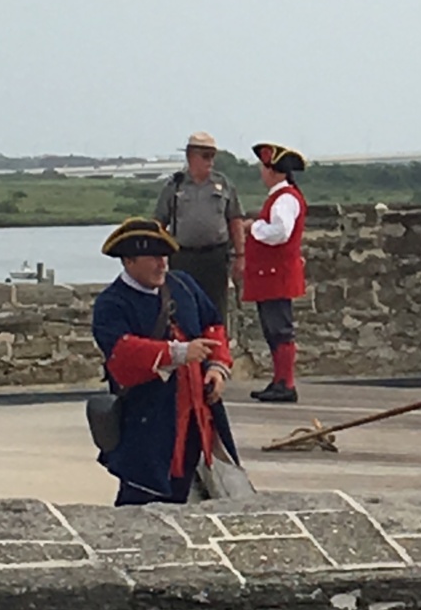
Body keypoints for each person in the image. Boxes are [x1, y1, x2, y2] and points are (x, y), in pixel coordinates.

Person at [90, 217, 239, 505]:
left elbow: (212, 325)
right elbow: (122, 354)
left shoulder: (183, 285)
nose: (163, 264)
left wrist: (218, 368)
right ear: (129, 261)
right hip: (148, 422)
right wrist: (178, 353)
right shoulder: (112, 304)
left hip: (196, 418)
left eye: (164, 256)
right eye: (153, 257)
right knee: (139, 501)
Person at [154, 132, 245, 323]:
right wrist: (159, 255)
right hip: (183, 257)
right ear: (190, 157)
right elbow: (159, 223)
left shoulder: (224, 184)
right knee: (183, 307)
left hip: (215, 257)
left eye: (213, 156)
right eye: (205, 156)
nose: (210, 161)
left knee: (216, 310)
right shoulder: (174, 186)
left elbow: (235, 221)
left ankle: (216, 349)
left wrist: (240, 256)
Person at [243, 142, 308, 404]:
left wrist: (254, 227)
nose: (262, 171)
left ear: (276, 172)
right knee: (273, 329)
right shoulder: (281, 197)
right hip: (270, 274)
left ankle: (286, 382)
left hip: (275, 273)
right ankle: (280, 379)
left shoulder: (285, 199)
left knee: (280, 329)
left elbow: (281, 232)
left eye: (265, 167)